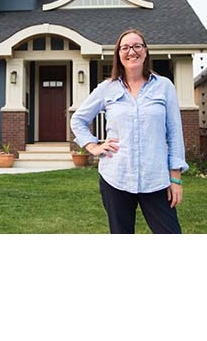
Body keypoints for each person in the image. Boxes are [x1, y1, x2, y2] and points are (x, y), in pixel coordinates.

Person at [70, 29, 187, 234]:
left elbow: (175, 133)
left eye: (137, 46)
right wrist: (93, 146)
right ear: (118, 54)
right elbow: (78, 119)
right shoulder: (107, 88)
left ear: (145, 51)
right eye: (125, 47)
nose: (131, 52)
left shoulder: (164, 86)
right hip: (116, 177)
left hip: (156, 179)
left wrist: (175, 178)